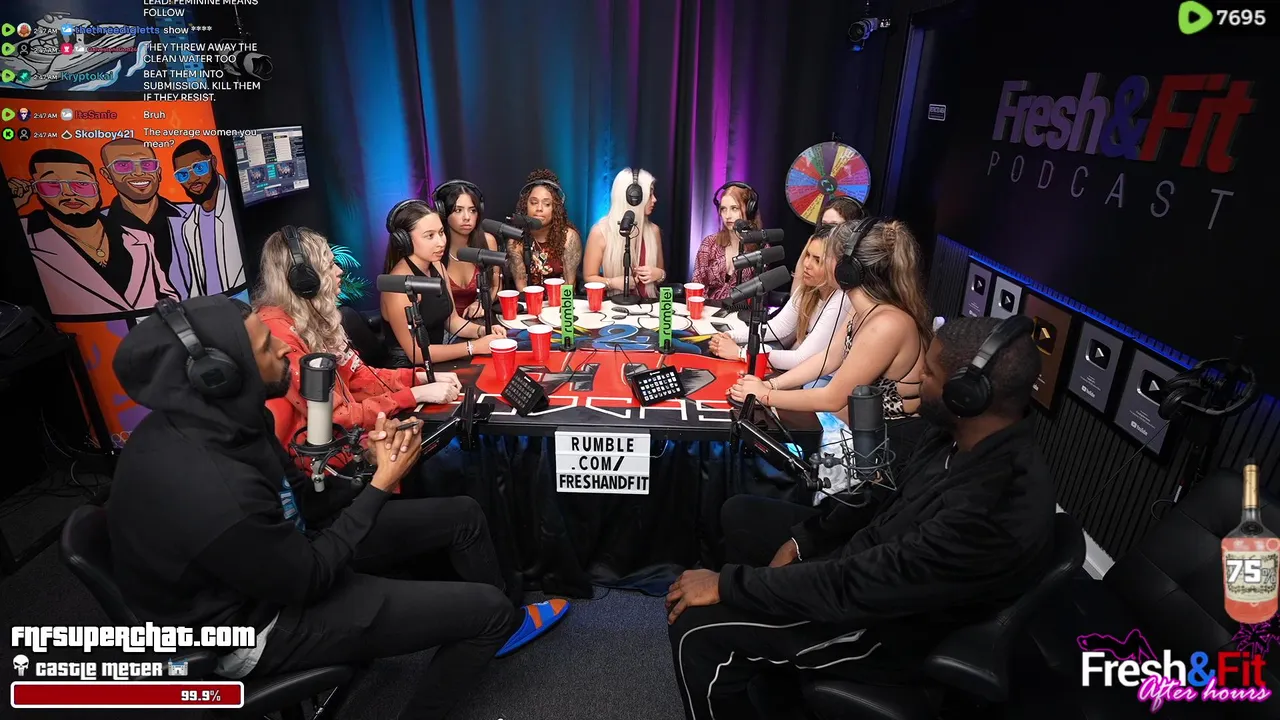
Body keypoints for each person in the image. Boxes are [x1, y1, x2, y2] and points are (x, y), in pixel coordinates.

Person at [108, 295, 568, 720]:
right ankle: (492, 625)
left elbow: (306, 500)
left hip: (288, 558)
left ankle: (498, 627)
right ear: (219, 374)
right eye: (266, 347)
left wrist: (368, 464)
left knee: (463, 514)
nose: (283, 351)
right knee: (489, 611)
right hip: (256, 628)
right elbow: (307, 580)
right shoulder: (213, 487)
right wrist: (381, 486)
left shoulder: (234, 420)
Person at [667, 315, 1054, 720]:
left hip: (890, 631)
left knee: (697, 628)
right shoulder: (954, 435)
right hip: (866, 572)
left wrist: (729, 585)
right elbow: (878, 498)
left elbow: (858, 586)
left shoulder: (991, 507)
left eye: (930, 373)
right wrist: (804, 541)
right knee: (742, 515)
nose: (918, 378)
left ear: (967, 394)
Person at [730, 218, 933, 493]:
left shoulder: (887, 324)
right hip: (860, 436)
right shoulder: (861, 310)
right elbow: (827, 359)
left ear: (849, 267)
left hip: (886, 454)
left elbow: (833, 397)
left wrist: (765, 396)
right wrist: (771, 385)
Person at [253, 225, 462, 480]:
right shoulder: (278, 335)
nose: (339, 271)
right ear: (304, 281)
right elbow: (336, 416)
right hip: (326, 468)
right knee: (446, 461)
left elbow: (359, 377)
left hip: (351, 442)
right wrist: (414, 395)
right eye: (329, 265)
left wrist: (418, 378)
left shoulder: (313, 317)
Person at [13, 148, 177, 317]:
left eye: (81, 184)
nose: (69, 192)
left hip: (151, 332)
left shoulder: (139, 237)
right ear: (35, 189)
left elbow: (166, 294)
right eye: (52, 185)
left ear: (97, 186)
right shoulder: (24, 237)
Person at [381, 200, 508, 365]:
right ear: (404, 241)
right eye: (430, 236)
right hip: (410, 369)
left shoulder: (437, 266)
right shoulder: (398, 285)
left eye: (441, 232)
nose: (441, 243)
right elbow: (416, 353)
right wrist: (473, 347)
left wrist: (482, 331)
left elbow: (452, 321)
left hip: (439, 358)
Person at [707, 223, 847, 371]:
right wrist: (729, 336)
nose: (807, 264)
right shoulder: (808, 288)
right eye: (808, 255)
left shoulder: (841, 300)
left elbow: (800, 359)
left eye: (817, 260)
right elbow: (779, 327)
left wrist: (739, 353)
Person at [171, 139, 245, 296]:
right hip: (213, 306)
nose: (192, 179)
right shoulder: (189, 226)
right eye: (183, 174)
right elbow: (197, 282)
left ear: (213, 162)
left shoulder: (238, 205)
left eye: (199, 168)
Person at [583, 168, 666, 298]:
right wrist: (612, 283)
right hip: (613, 305)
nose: (654, 199)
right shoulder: (600, 232)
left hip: (648, 306)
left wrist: (659, 274)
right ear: (634, 197)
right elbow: (589, 277)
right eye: (649, 195)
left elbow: (661, 272)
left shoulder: (653, 231)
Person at [435, 179, 500, 320]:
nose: (467, 217)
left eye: (472, 210)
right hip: (445, 327)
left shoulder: (488, 242)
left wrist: (482, 303)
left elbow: (496, 286)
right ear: (443, 213)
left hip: (479, 323)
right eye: (458, 210)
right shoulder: (435, 248)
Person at [508, 169, 582, 290]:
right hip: (530, 300)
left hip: (560, 300)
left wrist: (559, 303)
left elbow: (569, 286)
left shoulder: (569, 238)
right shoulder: (516, 241)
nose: (539, 208)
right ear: (525, 205)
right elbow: (522, 287)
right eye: (533, 203)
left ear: (555, 208)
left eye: (547, 204)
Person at [690, 182, 763, 301]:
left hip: (741, 311)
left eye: (734, 208)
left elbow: (760, 294)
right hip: (708, 309)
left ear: (749, 210)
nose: (727, 215)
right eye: (723, 209)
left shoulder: (761, 248)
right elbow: (697, 284)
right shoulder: (709, 243)